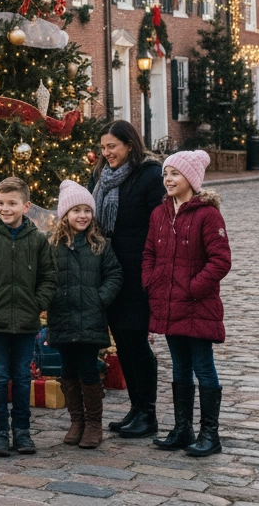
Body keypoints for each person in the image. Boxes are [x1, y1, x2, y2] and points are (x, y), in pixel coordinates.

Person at [143, 150, 231, 457]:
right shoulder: (159, 214)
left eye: (174, 174)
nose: (167, 179)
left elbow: (220, 260)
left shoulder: (207, 215)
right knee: (179, 366)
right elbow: (149, 254)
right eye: (165, 174)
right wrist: (151, 282)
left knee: (203, 366)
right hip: (169, 304)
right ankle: (183, 429)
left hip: (197, 305)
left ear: (190, 180)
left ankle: (210, 434)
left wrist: (194, 287)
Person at [0, 176, 57, 457]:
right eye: (1, 203)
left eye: (12, 203)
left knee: (21, 376)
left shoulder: (38, 239)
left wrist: (36, 304)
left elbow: (49, 277)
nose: (5, 208)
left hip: (27, 322)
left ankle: (22, 432)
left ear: (26, 206)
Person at [88, 120, 165, 438]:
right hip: (109, 272)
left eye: (112, 147)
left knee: (136, 341)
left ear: (129, 145)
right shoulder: (99, 177)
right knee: (122, 340)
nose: (106, 153)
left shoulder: (149, 175)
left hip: (138, 273)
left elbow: (159, 226)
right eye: (103, 148)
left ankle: (148, 412)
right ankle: (136, 408)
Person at [47, 180, 123, 449]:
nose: (82, 216)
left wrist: (99, 298)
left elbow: (115, 274)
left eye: (87, 210)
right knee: (67, 370)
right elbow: (44, 277)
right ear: (65, 215)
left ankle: (93, 423)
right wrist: (50, 299)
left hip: (90, 318)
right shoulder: (52, 246)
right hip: (63, 317)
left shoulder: (99, 245)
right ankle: (76, 421)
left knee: (88, 370)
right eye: (76, 210)